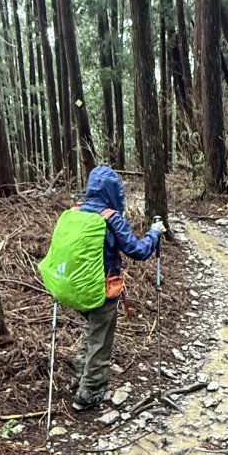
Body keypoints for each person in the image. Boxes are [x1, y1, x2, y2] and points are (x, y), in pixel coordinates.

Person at [70, 166, 165, 412]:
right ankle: (89, 392)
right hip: (102, 289)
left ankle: (80, 372)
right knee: (101, 339)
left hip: (75, 288)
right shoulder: (111, 218)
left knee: (92, 329)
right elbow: (138, 251)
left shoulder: (74, 213)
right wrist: (153, 234)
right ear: (114, 192)